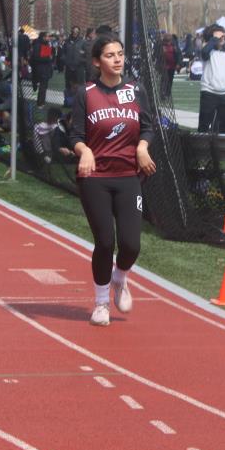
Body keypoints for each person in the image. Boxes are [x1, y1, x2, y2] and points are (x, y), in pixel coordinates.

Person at [70, 33, 156, 327]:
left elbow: (147, 127)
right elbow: (75, 135)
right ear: (97, 62)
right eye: (110, 55)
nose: (117, 59)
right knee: (105, 242)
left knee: (131, 245)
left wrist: (142, 148)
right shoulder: (86, 93)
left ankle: (120, 277)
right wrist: (84, 151)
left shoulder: (135, 90)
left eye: (120, 54)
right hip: (95, 177)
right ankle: (101, 303)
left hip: (128, 176)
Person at [197, 24, 225, 133]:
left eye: (223, 37)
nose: (222, 39)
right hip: (209, 93)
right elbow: (204, 52)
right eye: (219, 37)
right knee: (204, 126)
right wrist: (214, 39)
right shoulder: (208, 51)